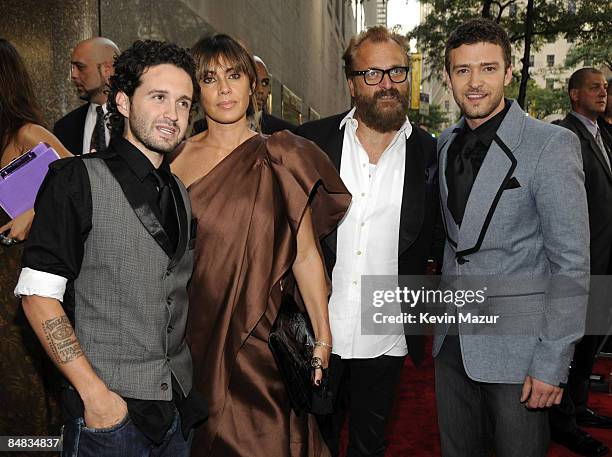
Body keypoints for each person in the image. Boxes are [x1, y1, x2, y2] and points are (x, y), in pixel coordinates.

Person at [15, 39, 207, 456]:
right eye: (158, 98)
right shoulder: (74, 179)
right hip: (109, 419)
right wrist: (96, 397)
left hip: (176, 414)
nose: (172, 115)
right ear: (122, 101)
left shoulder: (179, 192)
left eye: (183, 103)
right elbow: (37, 297)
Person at [170, 33, 350, 457]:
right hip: (192, 330)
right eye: (210, 79)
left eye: (234, 76)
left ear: (254, 85)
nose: (224, 89)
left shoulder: (282, 155)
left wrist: (322, 337)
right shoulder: (174, 158)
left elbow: (305, 254)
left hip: (262, 333)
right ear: (196, 91)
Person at [434, 18, 589, 457]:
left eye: (487, 68)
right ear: (448, 78)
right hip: (452, 345)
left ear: (507, 74)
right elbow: (455, 246)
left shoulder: (549, 145)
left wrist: (553, 361)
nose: (475, 82)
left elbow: (571, 264)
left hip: (520, 354)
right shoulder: (446, 143)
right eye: (463, 70)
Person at [296, 26, 442, 457]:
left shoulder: (431, 154)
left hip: (387, 334)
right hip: (318, 330)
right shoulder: (310, 143)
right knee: (313, 445)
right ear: (352, 83)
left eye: (397, 71)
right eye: (373, 74)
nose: (387, 84)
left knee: (368, 446)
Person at [0, 37, 71, 441]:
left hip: (22, 290)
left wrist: (35, 210)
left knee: (24, 389)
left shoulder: (28, 134)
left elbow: (79, 192)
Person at [549, 68, 612, 457]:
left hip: (606, 257)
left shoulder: (604, 134)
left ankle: (579, 405)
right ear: (574, 94)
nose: (602, 92)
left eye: (605, 87)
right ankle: (562, 423)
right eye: (594, 87)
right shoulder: (563, 135)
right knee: (570, 346)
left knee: (592, 341)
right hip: (580, 259)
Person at [53, 37, 120, 155]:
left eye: (80, 67)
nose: (73, 75)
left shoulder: (135, 119)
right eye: (72, 67)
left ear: (107, 70)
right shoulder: (65, 127)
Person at [253, 55, 296, 133]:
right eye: (254, 82)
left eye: (265, 83)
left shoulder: (286, 132)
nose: (260, 90)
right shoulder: (224, 126)